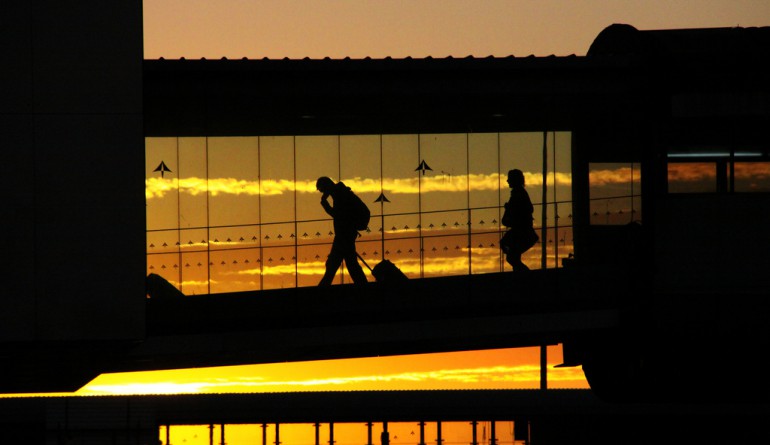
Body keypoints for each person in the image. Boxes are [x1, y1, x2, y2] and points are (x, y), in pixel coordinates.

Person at [316, 176, 368, 286]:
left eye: (321, 190)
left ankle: (321, 290)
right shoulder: (340, 192)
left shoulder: (340, 195)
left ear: (326, 187)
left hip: (344, 235)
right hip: (346, 234)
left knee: (334, 264)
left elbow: (337, 215)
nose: (322, 192)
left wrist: (324, 203)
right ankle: (363, 285)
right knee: (349, 264)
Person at [500, 169, 537, 271]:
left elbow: (528, 209)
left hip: (522, 232)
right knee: (512, 255)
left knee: (511, 256)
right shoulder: (519, 193)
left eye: (509, 179)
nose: (507, 181)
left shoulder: (518, 193)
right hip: (523, 232)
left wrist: (510, 209)